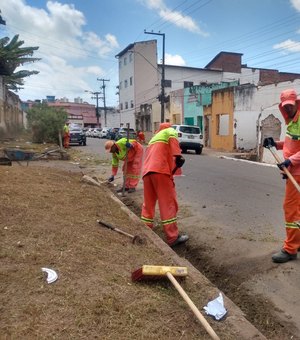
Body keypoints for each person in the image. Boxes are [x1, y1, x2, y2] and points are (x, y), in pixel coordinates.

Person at [263, 88, 300, 263]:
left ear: (296, 103)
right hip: (293, 171)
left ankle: (290, 249)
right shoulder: (293, 121)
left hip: (297, 173)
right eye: (285, 107)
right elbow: (291, 143)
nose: (288, 109)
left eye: (290, 106)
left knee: (291, 210)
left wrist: (290, 161)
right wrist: (275, 144)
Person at [141, 122, 189, 247]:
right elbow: (174, 141)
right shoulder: (169, 131)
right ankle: (172, 237)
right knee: (167, 204)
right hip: (160, 171)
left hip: (147, 172)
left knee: (148, 204)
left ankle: (145, 232)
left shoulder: (153, 138)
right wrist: (178, 156)